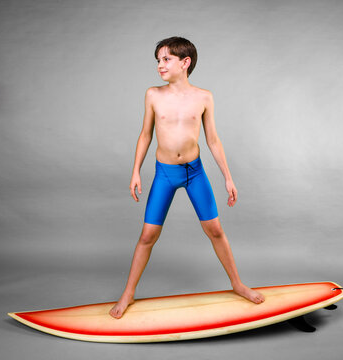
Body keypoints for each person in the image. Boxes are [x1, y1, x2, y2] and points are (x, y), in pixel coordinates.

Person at [109, 36, 265, 319]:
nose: (160, 65)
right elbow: (145, 135)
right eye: (157, 60)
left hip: (194, 172)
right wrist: (135, 171)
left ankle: (238, 284)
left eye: (166, 59)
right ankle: (128, 293)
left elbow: (213, 140)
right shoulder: (153, 95)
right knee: (148, 235)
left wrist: (228, 178)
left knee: (215, 230)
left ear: (185, 62)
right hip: (165, 174)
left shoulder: (204, 97)